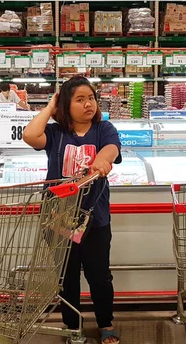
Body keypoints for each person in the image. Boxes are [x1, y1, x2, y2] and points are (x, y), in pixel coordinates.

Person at [23, 76, 122, 344]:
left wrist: (102, 160)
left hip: (95, 219)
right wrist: (50, 106)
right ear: (66, 105)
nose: (88, 104)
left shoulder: (103, 129)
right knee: (66, 279)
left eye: (90, 98)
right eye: (79, 99)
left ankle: (105, 323)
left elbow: (112, 148)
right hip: (59, 219)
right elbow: (30, 135)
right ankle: (72, 326)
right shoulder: (56, 134)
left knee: (100, 276)